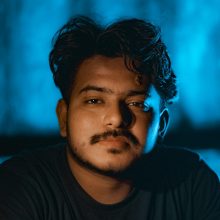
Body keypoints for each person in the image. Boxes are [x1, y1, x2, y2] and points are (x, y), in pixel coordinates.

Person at [0, 15, 219, 220]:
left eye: (137, 104)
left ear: (161, 125)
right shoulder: (19, 185)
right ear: (64, 117)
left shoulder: (192, 184)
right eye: (94, 100)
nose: (115, 118)